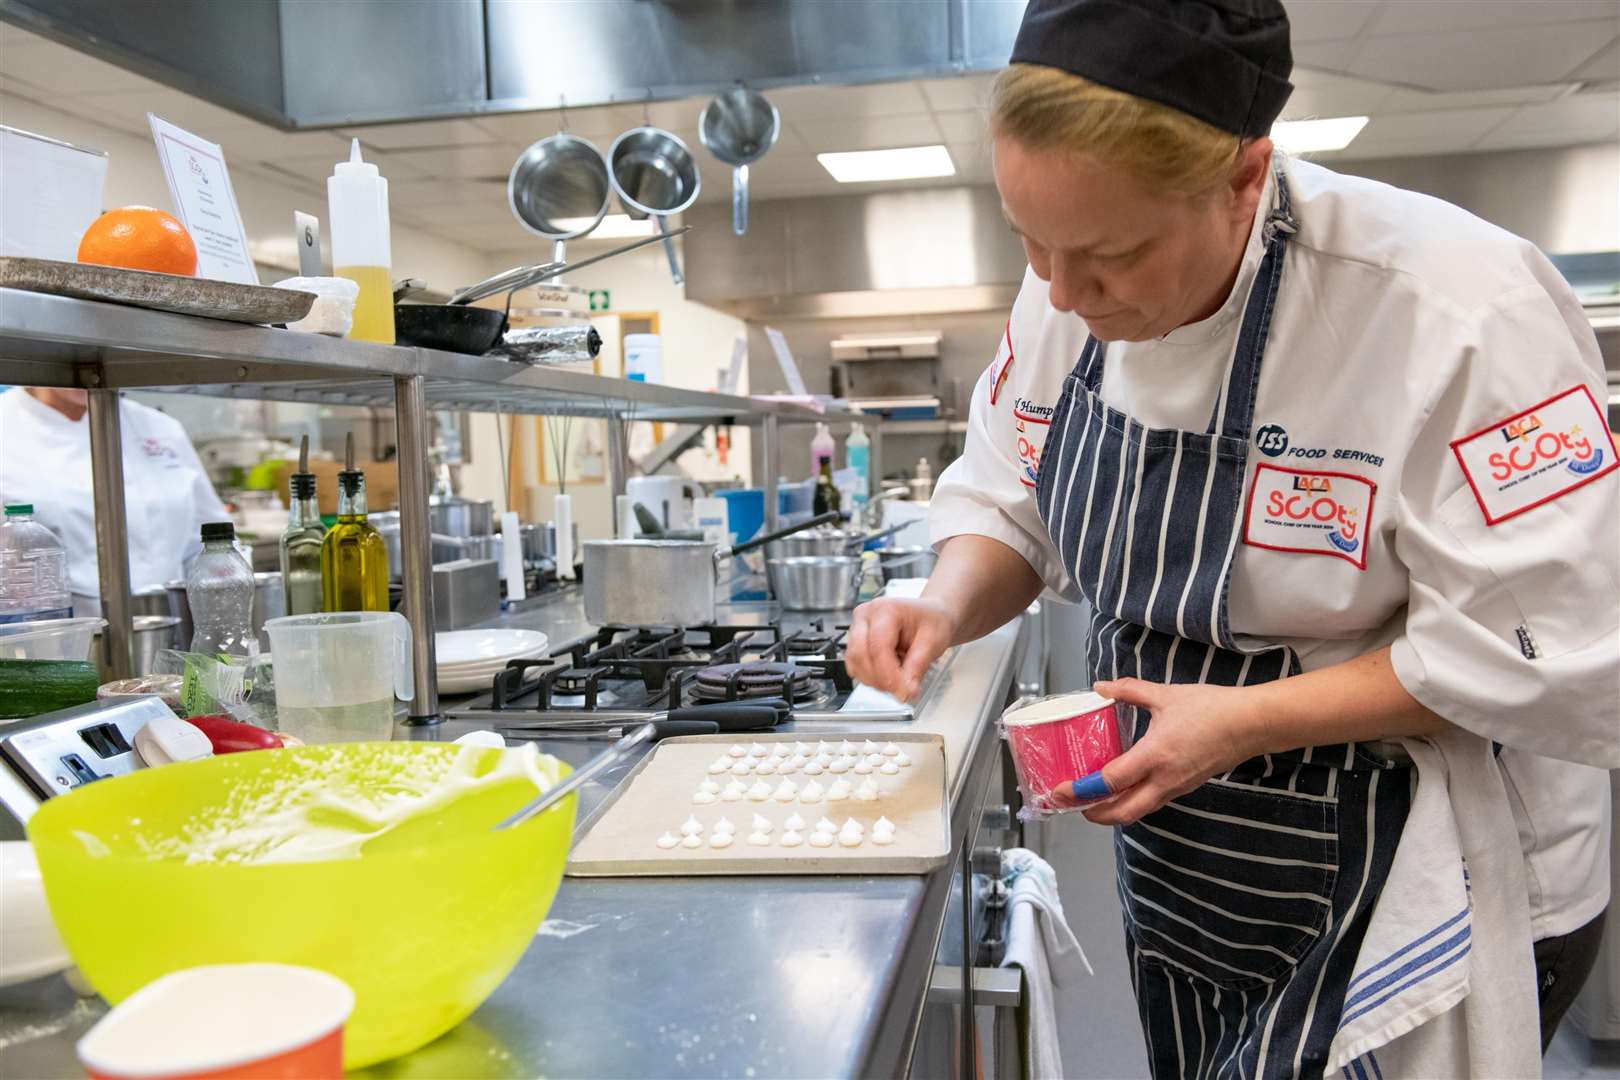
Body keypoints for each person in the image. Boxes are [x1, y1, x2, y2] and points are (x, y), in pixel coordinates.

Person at [846, 1, 1618, 1075]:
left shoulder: (1458, 311)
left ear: (1246, 177)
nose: (1065, 292)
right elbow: (1013, 498)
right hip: (1196, 860)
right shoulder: (1068, 282)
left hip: (1431, 870)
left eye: (1111, 254)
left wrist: (1243, 722)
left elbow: (1533, 649)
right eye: (1032, 243)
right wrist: (942, 602)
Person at [0, 387, 229, 610]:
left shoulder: (160, 427)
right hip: (56, 636)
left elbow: (210, 539)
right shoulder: (6, 424)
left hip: (172, 628)